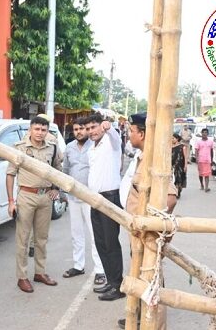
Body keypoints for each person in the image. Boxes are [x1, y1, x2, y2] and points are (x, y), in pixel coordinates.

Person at [118, 113, 177, 329]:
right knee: (142, 274)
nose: (129, 135)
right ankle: (141, 316)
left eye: (131, 131)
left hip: (147, 234)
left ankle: (152, 320)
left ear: (141, 134)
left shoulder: (154, 161)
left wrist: (151, 224)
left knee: (151, 277)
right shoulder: (142, 156)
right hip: (138, 231)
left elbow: (170, 198)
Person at [6, 116, 62, 293]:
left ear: (47, 132)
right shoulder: (19, 149)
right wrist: (11, 202)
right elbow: (10, 174)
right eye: (36, 129)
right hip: (26, 196)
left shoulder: (52, 148)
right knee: (23, 239)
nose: (40, 133)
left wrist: (56, 187)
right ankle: (22, 277)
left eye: (43, 130)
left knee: (41, 239)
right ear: (30, 130)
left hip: (45, 197)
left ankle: (40, 272)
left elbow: (56, 170)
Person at [84, 114, 125, 301]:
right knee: (101, 243)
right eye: (88, 128)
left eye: (94, 127)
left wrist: (110, 128)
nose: (91, 131)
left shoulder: (111, 142)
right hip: (94, 200)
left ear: (102, 126)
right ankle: (111, 280)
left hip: (109, 199)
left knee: (111, 243)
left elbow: (116, 138)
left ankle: (118, 286)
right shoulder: (91, 148)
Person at [62, 118, 106, 285]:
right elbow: (65, 170)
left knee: (95, 234)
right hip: (73, 197)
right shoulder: (69, 148)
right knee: (76, 233)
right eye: (76, 129)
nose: (79, 132)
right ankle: (78, 265)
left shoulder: (95, 146)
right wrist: (62, 191)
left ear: (87, 130)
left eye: (82, 128)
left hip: (91, 197)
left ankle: (100, 269)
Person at [195, 128, 214, 192]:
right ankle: (202, 185)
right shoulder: (199, 142)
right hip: (200, 160)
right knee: (201, 174)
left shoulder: (210, 142)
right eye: (203, 132)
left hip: (208, 160)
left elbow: (211, 151)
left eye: (206, 132)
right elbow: (196, 150)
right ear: (201, 133)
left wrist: (212, 159)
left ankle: (206, 187)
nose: (204, 134)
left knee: (207, 174)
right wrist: (196, 158)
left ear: (207, 134)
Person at [171, 133, 187, 198]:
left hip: (180, 165)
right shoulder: (170, 146)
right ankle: (174, 191)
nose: (172, 140)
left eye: (173, 138)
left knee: (179, 179)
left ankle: (178, 192)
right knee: (172, 178)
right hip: (172, 165)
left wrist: (185, 165)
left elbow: (185, 157)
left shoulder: (182, 147)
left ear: (177, 139)